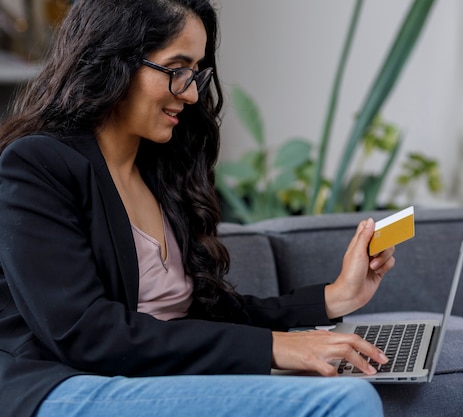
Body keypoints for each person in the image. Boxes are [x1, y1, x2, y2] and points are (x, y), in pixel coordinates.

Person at [0, 1, 396, 416]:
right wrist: (274, 348)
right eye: (177, 70)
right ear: (113, 60)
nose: (190, 93)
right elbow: (84, 334)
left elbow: (201, 320)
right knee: (348, 400)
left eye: (196, 73)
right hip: (62, 384)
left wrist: (334, 298)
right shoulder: (37, 166)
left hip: (150, 381)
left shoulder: (160, 176)